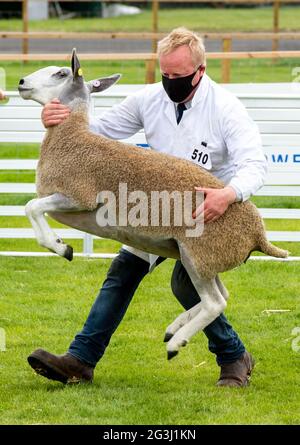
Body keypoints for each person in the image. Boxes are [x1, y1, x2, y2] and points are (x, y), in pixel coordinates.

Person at [28, 27, 267, 387]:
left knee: (186, 286)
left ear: (199, 71)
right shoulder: (150, 99)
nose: (170, 82)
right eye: (165, 74)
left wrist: (227, 194)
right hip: (154, 207)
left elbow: (255, 164)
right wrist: (55, 117)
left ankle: (234, 358)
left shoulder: (226, 109)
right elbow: (96, 131)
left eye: (178, 76)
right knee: (122, 274)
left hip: (211, 214)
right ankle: (80, 360)